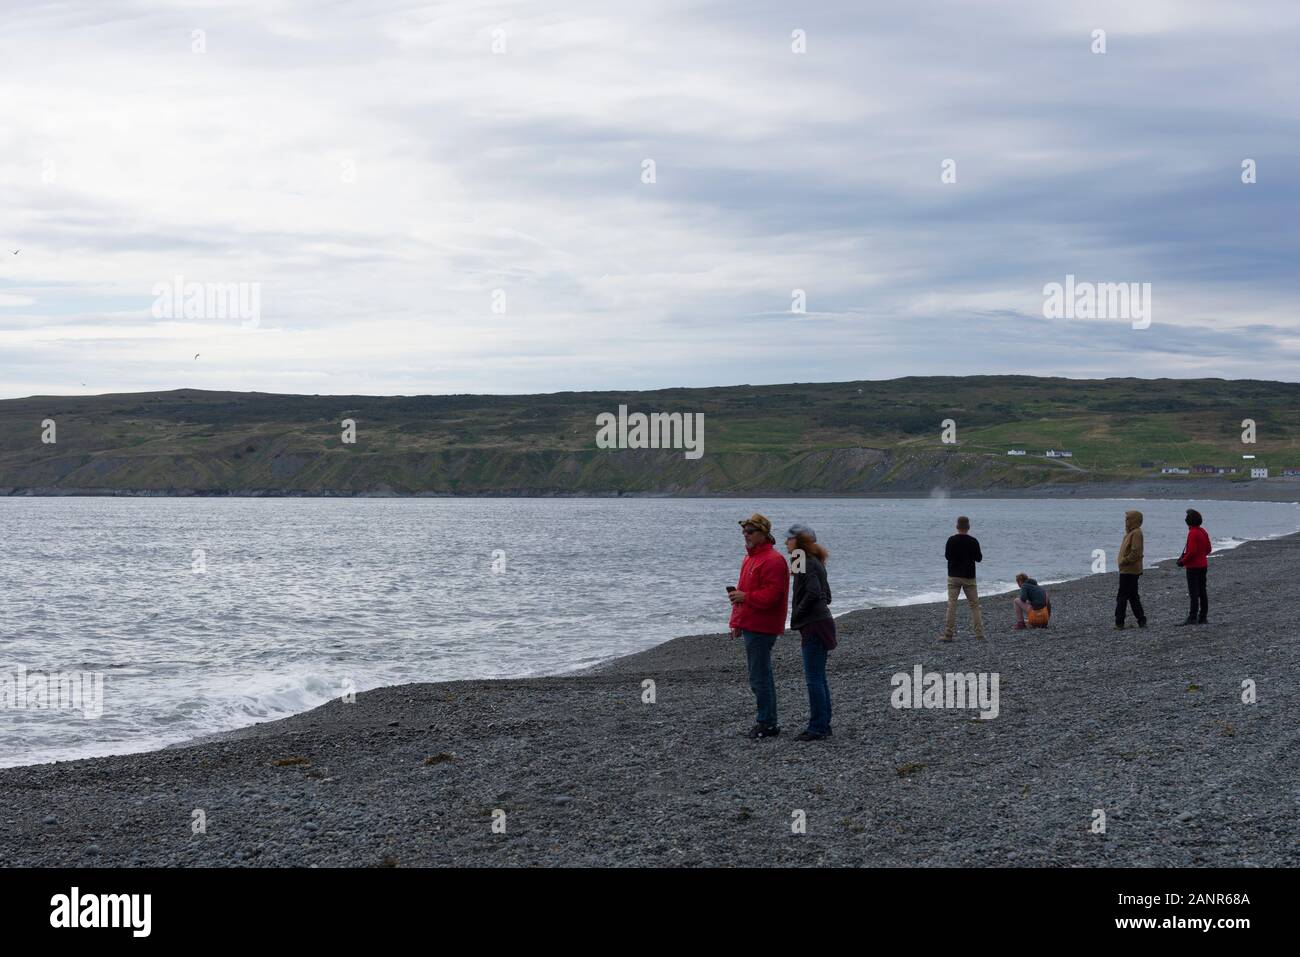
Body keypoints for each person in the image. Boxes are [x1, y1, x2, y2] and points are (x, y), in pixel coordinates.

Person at [729, 513, 791, 739]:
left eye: (750, 531)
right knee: (759, 675)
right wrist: (736, 622)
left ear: (763, 533)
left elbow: (774, 595)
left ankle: (767, 723)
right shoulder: (750, 559)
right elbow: (741, 593)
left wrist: (746, 598)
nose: (745, 535)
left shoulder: (773, 560)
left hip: (763, 625)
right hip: (750, 623)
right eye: (744, 531)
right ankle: (767, 721)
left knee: (760, 677)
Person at [785, 523, 835, 741]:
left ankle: (818, 727)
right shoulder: (813, 561)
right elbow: (827, 595)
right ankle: (823, 723)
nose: (785, 542)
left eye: (789, 538)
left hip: (814, 624)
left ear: (799, 541)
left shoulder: (803, 560)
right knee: (818, 677)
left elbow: (814, 592)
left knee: (813, 678)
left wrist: (798, 614)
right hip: (820, 622)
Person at [941, 515, 985, 641]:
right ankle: (979, 634)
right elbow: (979, 558)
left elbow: (947, 557)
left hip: (954, 575)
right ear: (968, 527)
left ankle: (948, 633)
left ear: (957, 527)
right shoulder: (973, 541)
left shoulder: (951, 540)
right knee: (974, 605)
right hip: (969, 577)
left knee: (952, 604)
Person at [1177, 508, 1211, 625]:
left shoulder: (1192, 533)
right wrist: (1201, 556)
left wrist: (1182, 562)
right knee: (1202, 591)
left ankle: (1192, 617)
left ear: (1190, 520)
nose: (1185, 519)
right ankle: (1203, 616)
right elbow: (1208, 549)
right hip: (1203, 565)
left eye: (1187, 517)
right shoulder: (1203, 531)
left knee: (1194, 593)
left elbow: (1191, 552)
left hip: (1193, 567)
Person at [1115, 509, 1147, 629]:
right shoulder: (1131, 532)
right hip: (1127, 569)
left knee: (1122, 596)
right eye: (1126, 519)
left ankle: (1119, 622)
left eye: (1128, 519)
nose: (1126, 521)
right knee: (1133, 596)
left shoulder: (1136, 533)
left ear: (1134, 520)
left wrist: (1125, 561)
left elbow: (1136, 551)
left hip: (1130, 569)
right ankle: (1141, 620)